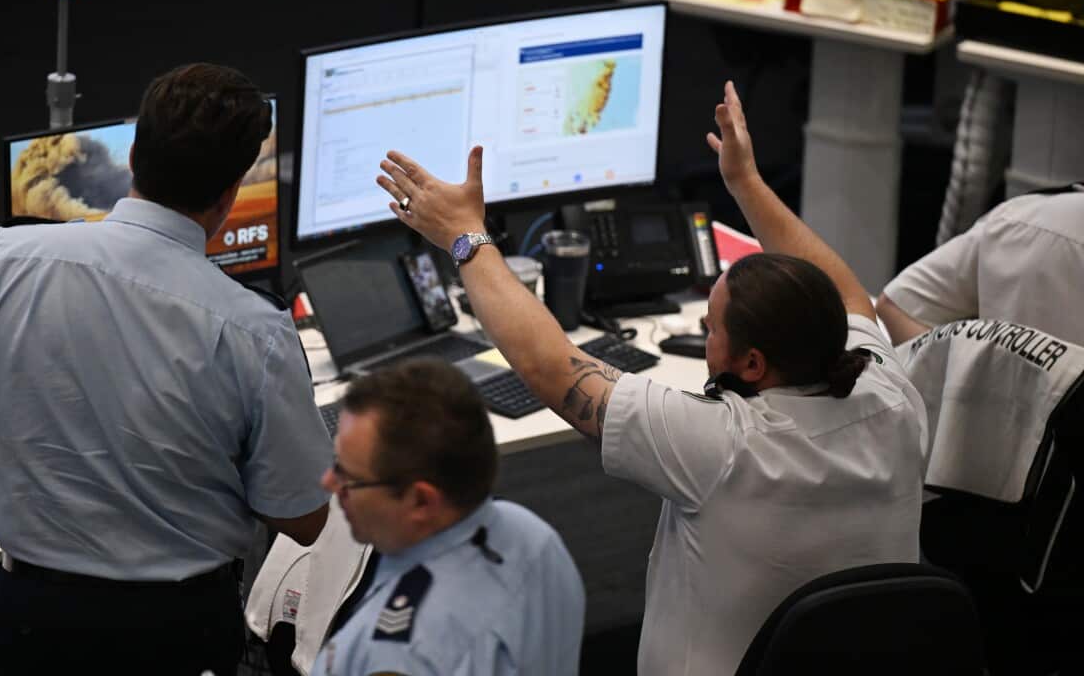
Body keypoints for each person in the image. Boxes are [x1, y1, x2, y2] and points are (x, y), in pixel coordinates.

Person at [374, 81, 930, 675]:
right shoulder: (891, 392)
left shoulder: (724, 447)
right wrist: (745, 182)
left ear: (752, 365)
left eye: (711, 326)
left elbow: (550, 367)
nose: (706, 331)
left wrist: (465, 236)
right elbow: (847, 293)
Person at [0, 63, 331, 675]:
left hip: (26, 623)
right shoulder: (255, 330)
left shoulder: (7, 259)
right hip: (176, 634)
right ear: (232, 194)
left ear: (133, 157)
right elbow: (306, 517)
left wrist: (46, 438)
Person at [313, 359, 585, 676]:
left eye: (347, 477)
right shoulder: (534, 538)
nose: (328, 483)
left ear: (421, 501)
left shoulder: (398, 656)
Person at [877, 182, 1084, 346]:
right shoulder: (1018, 218)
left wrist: (959, 385)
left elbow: (899, 305)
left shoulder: (1018, 217)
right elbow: (899, 305)